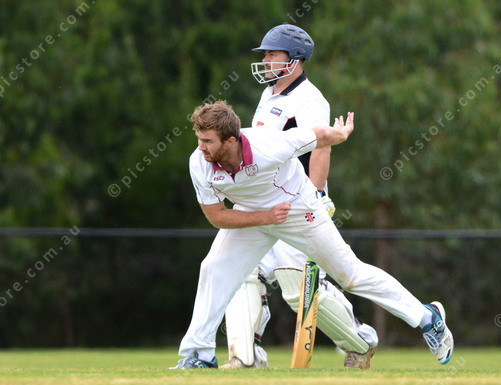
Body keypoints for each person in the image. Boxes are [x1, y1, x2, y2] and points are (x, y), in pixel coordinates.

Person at [171, 100, 454, 369]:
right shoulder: (199, 163)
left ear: (231, 141)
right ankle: (199, 354)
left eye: (207, 141)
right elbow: (217, 216)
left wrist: (340, 134)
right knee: (213, 268)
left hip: (298, 209)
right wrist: (265, 217)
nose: (201, 147)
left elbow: (316, 136)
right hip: (254, 215)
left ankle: (427, 318)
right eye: (199, 139)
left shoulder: (268, 144)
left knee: (350, 275)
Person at [222, 24, 377, 370]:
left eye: (272, 54)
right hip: (265, 200)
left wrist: (317, 195)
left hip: (297, 203)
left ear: (294, 59)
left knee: (296, 289)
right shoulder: (268, 94)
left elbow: (321, 148)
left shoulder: (310, 98)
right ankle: (245, 358)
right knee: (242, 271)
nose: (265, 60)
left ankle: (360, 343)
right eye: (264, 54)